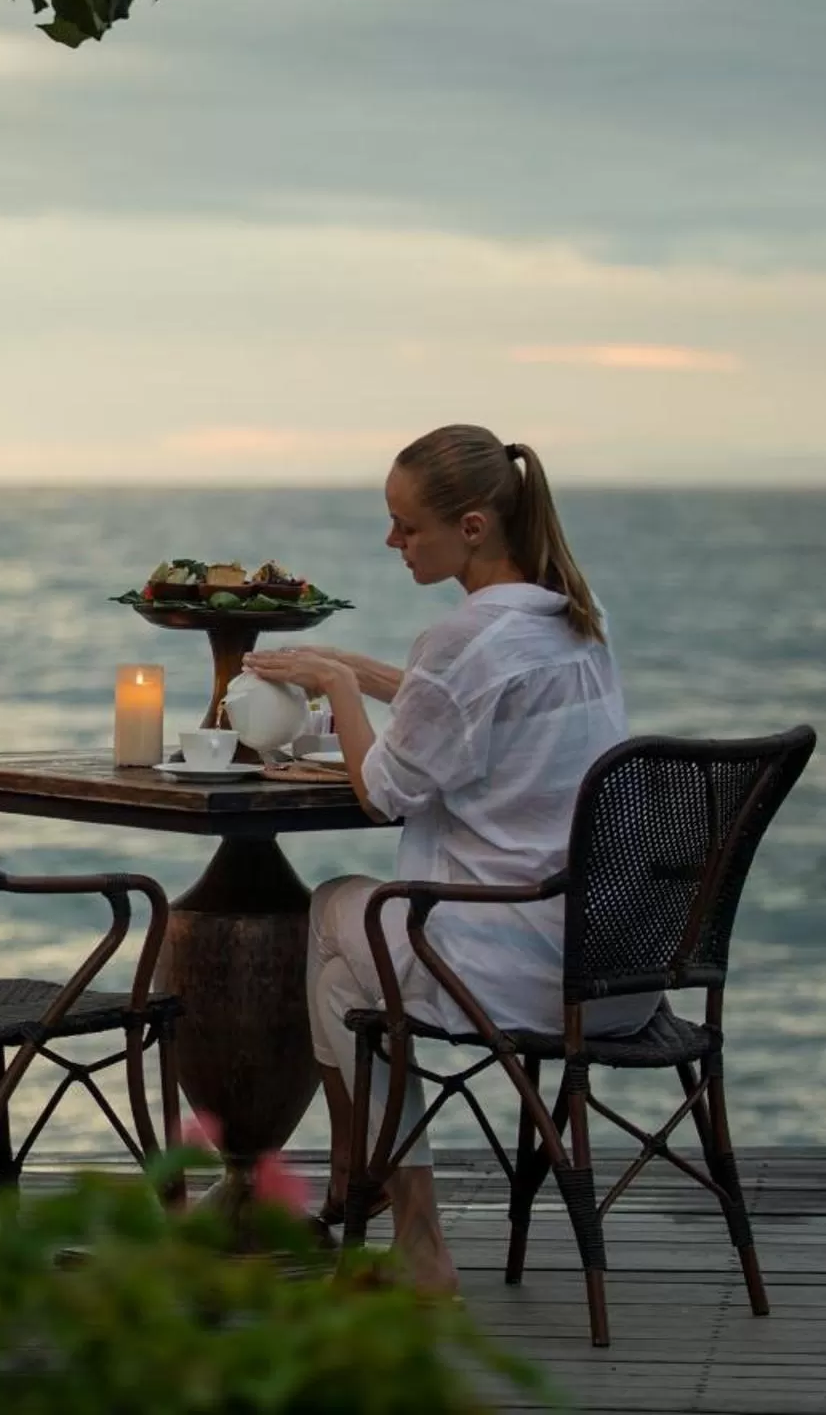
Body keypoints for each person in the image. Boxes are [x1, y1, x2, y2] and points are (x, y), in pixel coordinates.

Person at [242, 423, 655, 1296]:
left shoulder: (463, 641)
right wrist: (357, 668)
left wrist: (341, 689)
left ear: (472, 527)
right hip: (621, 968)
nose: (392, 543)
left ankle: (404, 1226)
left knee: (333, 923)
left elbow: (384, 790)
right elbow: (466, 705)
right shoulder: (578, 621)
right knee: (353, 970)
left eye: (406, 527)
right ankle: (372, 1197)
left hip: (521, 967)